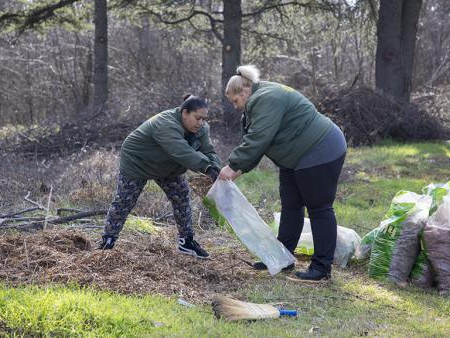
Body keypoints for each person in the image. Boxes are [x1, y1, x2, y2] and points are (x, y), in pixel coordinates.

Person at [219, 65, 347, 281]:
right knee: (291, 205)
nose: (235, 106)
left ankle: (322, 268)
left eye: (235, 101)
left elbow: (259, 138)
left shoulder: (266, 98)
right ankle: (282, 258)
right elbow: (257, 142)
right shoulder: (257, 101)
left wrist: (232, 165)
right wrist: (238, 169)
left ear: (245, 91)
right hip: (295, 157)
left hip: (320, 149)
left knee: (319, 208)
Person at [98, 95, 221, 258]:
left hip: (168, 164)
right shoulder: (165, 123)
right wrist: (206, 167)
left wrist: (216, 169)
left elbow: (209, 151)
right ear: (185, 113)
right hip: (138, 161)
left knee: (181, 197)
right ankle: (108, 241)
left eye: (204, 119)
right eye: (197, 118)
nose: (201, 123)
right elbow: (181, 151)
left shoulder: (201, 129)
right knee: (124, 201)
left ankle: (187, 242)